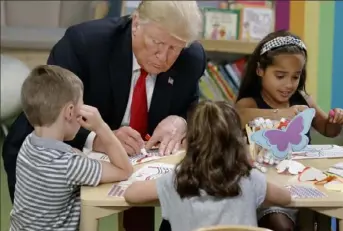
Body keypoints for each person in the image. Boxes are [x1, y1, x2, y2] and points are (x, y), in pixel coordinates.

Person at [2, 1, 205, 231]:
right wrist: (96, 138)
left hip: (144, 156)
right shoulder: (85, 43)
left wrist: (181, 121)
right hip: (80, 139)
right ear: (136, 23)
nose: (164, 57)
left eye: (175, 48)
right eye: (157, 43)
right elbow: (49, 107)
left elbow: (192, 107)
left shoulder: (192, 59)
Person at [235, 30, 343, 231]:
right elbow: (240, 115)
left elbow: (328, 129)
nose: (288, 85)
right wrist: (283, 114)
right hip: (269, 190)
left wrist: (336, 119)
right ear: (260, 70)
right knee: (280, 224)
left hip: (305, 185)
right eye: (280, 76)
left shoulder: (303, 98)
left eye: (295, 77)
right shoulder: (249, 102)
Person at [124, 100, 292, 231]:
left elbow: (131, 195)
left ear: (188, 143)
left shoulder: (176, 180)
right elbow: (285, 198)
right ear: (238, 143)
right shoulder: (250, 179)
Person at [10, 65, 133, 231]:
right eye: (81, 108)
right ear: (69, 112)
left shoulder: (28, 144)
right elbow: (124, 170)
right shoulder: (69, 165)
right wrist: (101, 127)